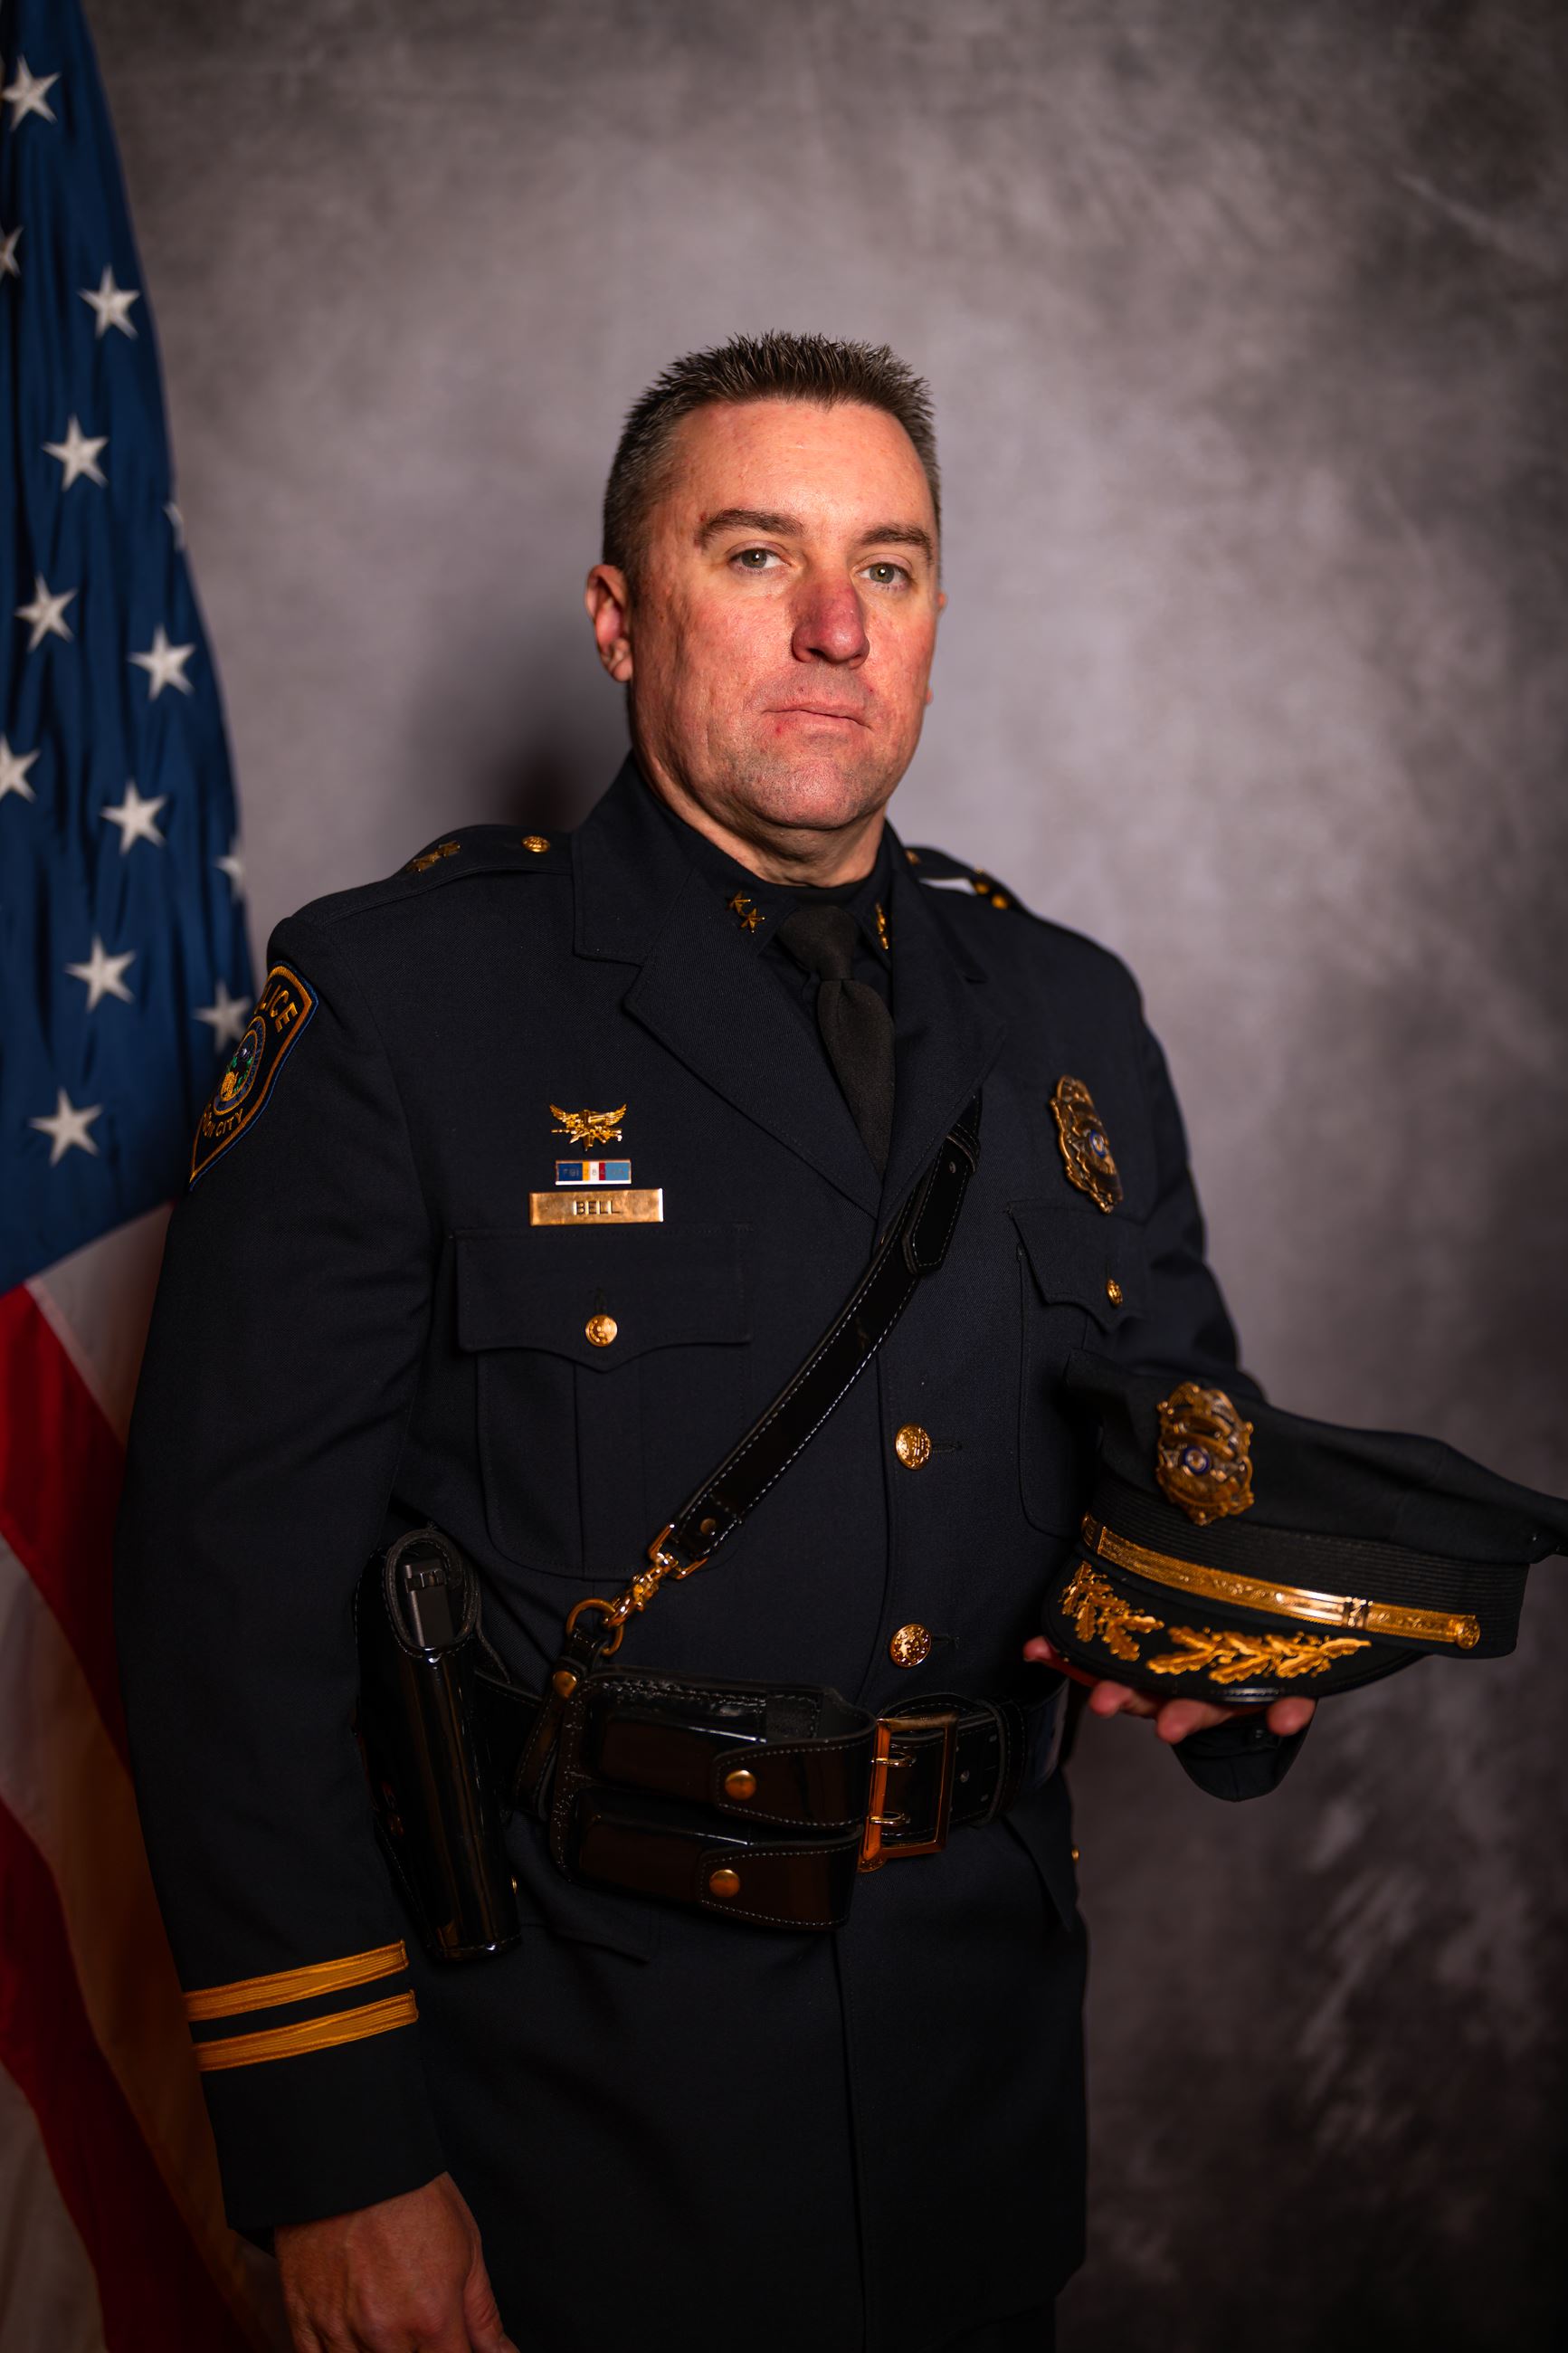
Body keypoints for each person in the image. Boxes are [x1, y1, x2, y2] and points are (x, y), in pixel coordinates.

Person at [116, 333, 1315, 2353]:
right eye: (756, 555)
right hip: (560, 2117)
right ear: (618, 616)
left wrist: (1234, 1647)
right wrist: (337, 2158)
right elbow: (220, 1623)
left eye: (889, 567)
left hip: (966, 2109)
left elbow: (1181, 1450)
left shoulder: (1066, 1014)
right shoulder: (407, 1011)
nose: (836, 625)